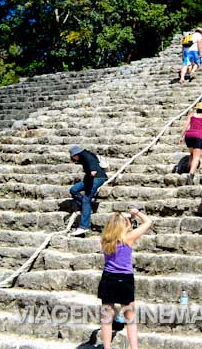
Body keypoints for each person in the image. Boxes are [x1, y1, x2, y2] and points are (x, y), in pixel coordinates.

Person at [97, 209, 153, 349]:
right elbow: (149, 222)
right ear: (124, 225)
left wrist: (126, 223)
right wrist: (137, 213)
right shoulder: (128, 238)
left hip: (108, 278)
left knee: (107, 317)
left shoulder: (104, 239)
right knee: (130, 317)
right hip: (124, 279)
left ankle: (107, 347)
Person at [69, 145, 109, 237]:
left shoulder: (87, 156)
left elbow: (93, 167)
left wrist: (92, 172)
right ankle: (86, 208)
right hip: (90, 179)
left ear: (76, 154)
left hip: (97, 178)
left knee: (86, 200)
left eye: (73, 157)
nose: (74, 159)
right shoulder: (83, 156)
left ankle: (83, 226)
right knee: (73, 190)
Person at [181, 102, 202, 184]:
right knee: (196, 157)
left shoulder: (191, 114)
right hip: (198, 135)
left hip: (188, 135)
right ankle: (191, 175)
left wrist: (181, 136)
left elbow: (186, 126)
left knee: (192, 153)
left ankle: (188, 167)